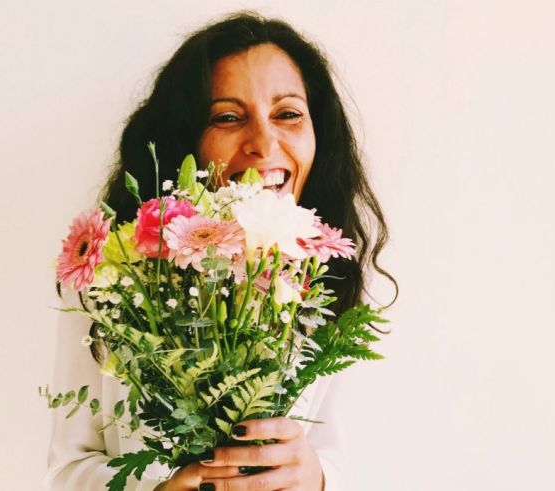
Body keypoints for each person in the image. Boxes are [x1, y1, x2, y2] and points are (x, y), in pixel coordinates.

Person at [44, 11, 397, 491]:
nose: (264, 144)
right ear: (184, 141)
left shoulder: (336, 281)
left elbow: (362, 461)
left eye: (288, 114)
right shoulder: (110, 279)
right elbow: (65, 472)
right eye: (228, 117)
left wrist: (316, 477)